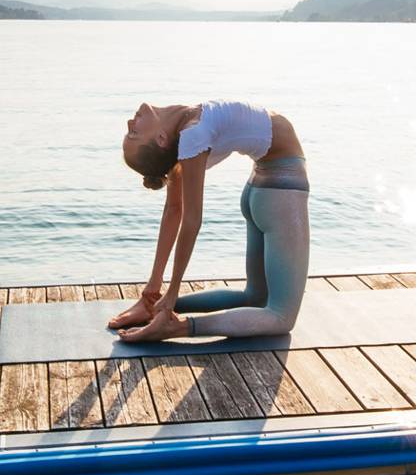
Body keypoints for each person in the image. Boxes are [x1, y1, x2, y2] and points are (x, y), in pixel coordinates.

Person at [109, 100, 309, 343]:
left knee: (255, 297)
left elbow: (174, 211)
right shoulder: (193, 134)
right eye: (133, 133)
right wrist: (170, 292)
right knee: (281, 317)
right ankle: (178, 327)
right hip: (280, 193)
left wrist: (153, 293)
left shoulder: (185, 134)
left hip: (263, 189)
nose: (131, 122)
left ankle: (155, 308)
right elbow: (190, 220)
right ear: (161, 139)